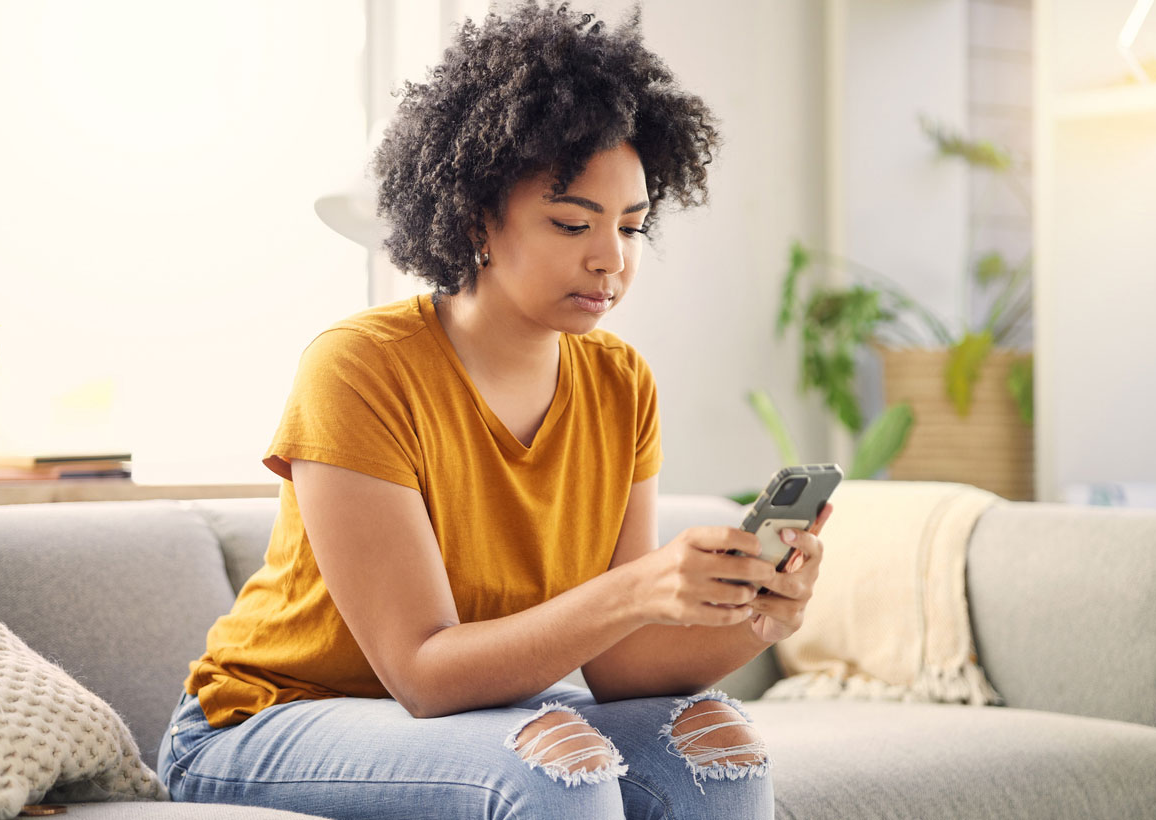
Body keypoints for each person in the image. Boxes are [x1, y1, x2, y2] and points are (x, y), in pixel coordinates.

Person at [156, 3, 832, 818]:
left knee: (717, 748)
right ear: (477, 216)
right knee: (556, 764)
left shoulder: (621, 384)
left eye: (632, 225)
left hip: (459, 723)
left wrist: (754, 617)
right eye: (572, 222)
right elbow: (423, 672)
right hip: (264, 722)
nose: (610, 259)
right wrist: (636, 588)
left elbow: (618, 670)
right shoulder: (360, 368)